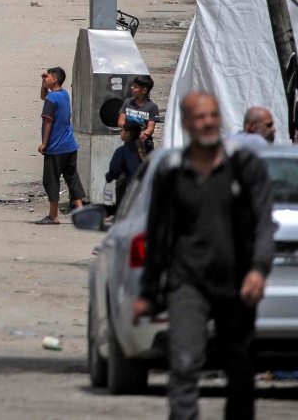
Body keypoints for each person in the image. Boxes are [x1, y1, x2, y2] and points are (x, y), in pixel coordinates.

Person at [134, 92, 275, 420]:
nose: (208, 122)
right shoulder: (171, 173)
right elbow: (158, 236)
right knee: (184, 363)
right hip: (187, 283)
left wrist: (258, 270)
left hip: (237, 284)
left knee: (240, 369)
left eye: (213, 115)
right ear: (186, 123)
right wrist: (147, 292)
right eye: (200, 117)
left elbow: (263, 223)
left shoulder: (244, 167)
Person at [38, 67, 86, 225]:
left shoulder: (52, 99)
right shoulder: (64, 94)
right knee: (72, 178)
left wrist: (44, 143)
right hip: (69, 145)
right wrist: (43, 83)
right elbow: (43, 96)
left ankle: (53, 215)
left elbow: (48, 121)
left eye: (47, 77)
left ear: (55, 79)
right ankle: (81, 212)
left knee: (51, 180)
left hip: (55, 147)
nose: (44, 78)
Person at [106, 119, 146, 210]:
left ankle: (120, 213)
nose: (120, 133)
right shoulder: (147, 147)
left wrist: (108, 177)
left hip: (132, 189)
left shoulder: (122, 151)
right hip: (147, 187)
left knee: (120, 184)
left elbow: (115, 170)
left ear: (128, 133)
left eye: (122, 130)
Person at [116, 74, 158, 154]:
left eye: (135, 86)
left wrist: (142, 135)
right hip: (129, 142)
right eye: (132, 85)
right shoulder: (127, 102)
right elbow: (120, 122)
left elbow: (150, 128)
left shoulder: (152, 107)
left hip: (145, 144)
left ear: (144, 91)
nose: (132, 88)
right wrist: (134, 133)